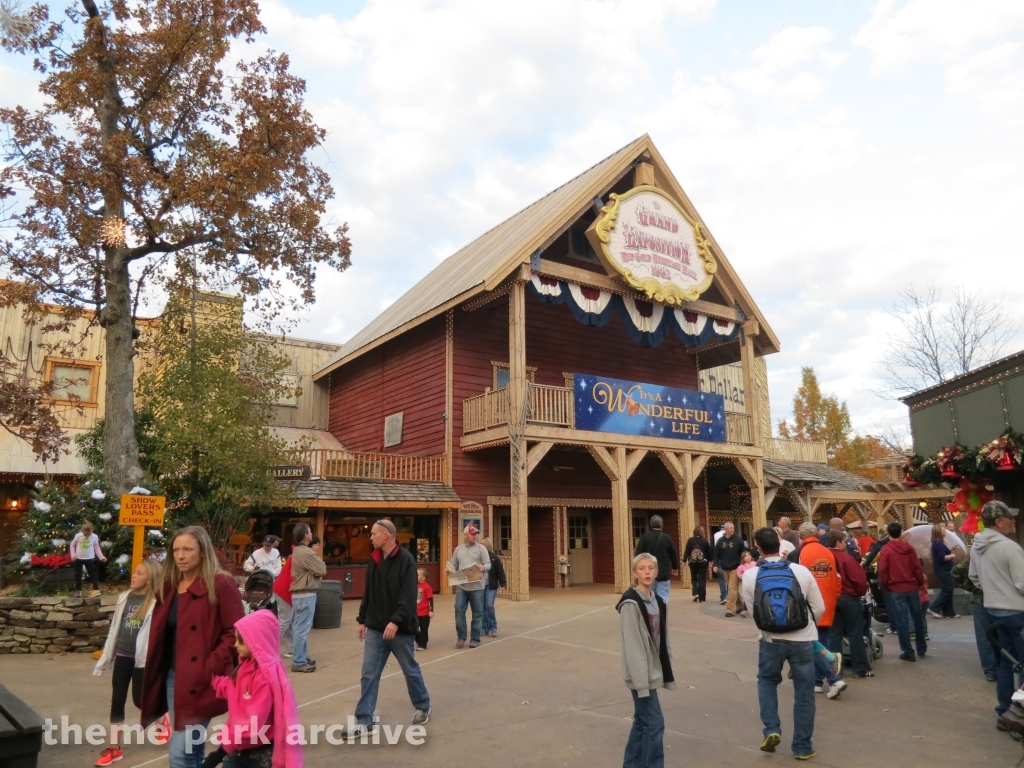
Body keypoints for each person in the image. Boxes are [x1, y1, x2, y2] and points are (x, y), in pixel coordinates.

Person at [141, 526, 245, 768]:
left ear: (202, 551)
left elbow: (236, 631)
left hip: (205, 681)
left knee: (180, 754)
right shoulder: (168, 586)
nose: (181, 555)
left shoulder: (220, 583)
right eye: (176, 550)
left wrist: (210, 665)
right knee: (191, 750)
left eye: (188, 549)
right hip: (173, 679)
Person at [740, 527, 824, 761]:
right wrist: (804, 626)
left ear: (757, 547)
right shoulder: (801, 572)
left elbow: (752, 610)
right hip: (802, 640)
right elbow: (819, 607)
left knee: (766, 681)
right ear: (780, 543)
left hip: (770, 640)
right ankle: (802, 747)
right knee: (804, 692)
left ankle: (772, 729)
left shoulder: (749, 575)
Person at [346, 519, 432, 737]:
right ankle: (364, 720)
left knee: (410, 670)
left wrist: (396, 621)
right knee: (369, 673)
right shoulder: (373, 560)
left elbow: (408, 597)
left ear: (386, 535)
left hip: (400, 630)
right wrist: (362, 619)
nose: (371, 537)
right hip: (375, 626)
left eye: (374, 534)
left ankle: (423, 705)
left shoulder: (407, 561)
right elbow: (368, 591)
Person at [93, 559, 168, 767]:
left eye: (139, 573)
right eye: (134, 572)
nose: (133, 576)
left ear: (150, 578)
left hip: (142, 660)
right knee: (117, 700)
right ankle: (114, 749)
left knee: (140, 701)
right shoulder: (124, 597)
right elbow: (115, 628)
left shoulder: (157, 602)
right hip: (122, 655)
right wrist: (108, 654)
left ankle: (164, 717)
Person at [211, 609, 302, 768]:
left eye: (241, 641)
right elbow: (235, 689)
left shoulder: (264, 679)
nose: (235, 644)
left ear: (256, 642)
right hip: (239, 748)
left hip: (258, 754)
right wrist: (213, 681)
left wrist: (221, 751)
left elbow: (252, 723)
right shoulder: (244, 667)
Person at [969, 500, 1024, 727]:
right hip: (1017, 612)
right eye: (1009, 517)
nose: (1013, 520)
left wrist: (994, 590)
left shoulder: (977, 546)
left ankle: (1004, 711)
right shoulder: (1009, 547)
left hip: (994, 612)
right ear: (999, 522)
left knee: (1006, 662)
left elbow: (974, 578)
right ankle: (1019, 715)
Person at [617, 552, 675, 768]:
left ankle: (631, 764)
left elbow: (664, 637)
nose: (647, 572)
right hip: (640, 674)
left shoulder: (658, 601)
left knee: (642, 722)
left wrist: (667, 668)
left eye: (650, 568)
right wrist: (642, 682)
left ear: (657, 571)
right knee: (655, 722)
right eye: (641, 568)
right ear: (634, 573)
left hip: (654, 670)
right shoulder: (630, 604)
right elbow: (633, 646)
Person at [793, 522, 845, 699]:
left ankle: (834, 679)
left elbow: (799, 582)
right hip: (827, 603)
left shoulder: (802, 553)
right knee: (821, 642)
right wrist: (832, 597)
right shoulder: (827, 552)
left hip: (810, 606)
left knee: (812, 645)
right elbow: (838, 579)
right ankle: (816, 681)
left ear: (801, 535)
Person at [877, 521, 927, 662]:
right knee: (917, 618)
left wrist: (886, 585)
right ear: (901, 532)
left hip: (896, 588)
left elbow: (883, 570)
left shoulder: (886, 550)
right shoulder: (909, 548)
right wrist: (919, 582)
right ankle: (921, 647)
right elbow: (917, 567)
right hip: (912, 586)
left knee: (901, 621)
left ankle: (908, 651)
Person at [826, 530, 871, 678]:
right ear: (838, 543)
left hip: (830, 598)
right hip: (849, 597)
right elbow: (859, 579)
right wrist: (860, 592)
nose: (846, 544)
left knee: (834, 635)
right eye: (844, 541)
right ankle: (860, 669)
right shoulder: (846, 559)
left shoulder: (823, 558)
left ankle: (835, 670)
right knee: (855, 634)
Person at [953, 557, 998, 682]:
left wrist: (974, 588)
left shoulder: (977, 553)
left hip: (980, 600)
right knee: (1002, 635)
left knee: (983, 637)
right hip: (1001, 600)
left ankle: (990, 671)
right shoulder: (1003, 551)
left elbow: (956, 571)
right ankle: (1006, 668)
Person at [289, 523, 326, 673]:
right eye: (310, 531)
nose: (311, 533)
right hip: (305, 594)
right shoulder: (306, 552)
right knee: (302, 629)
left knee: (300, 628)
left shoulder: (298, 551)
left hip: (300, 595)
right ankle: (298, 661)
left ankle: (302, 656)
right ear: (305, 535)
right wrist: (317, 568)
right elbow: (322, 569)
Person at [448, 524, 490, 648]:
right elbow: (453, 564)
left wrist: (484, 567)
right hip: (462, 586)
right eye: (472, 534)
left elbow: (488, 563)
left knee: (477, 613)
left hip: (477, 586)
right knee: (459, 611)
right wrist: (448, 569)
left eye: (476, 533)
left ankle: (475, 639)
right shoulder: (458, 549)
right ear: (465, 535)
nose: (475, 536)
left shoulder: (481, 548)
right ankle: (461, 637)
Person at [634, 515, 680, 603]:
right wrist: (675, 567)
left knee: (650, 594)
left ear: (651, 524)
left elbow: (638, 555)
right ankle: (661, 614)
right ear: (662, 525)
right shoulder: (667, 538)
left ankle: (652, 614)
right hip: (663, 572)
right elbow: (673, 554)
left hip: (648, 572)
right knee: (663, 596)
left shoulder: (645, 537)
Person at [713, 522, 747, 617]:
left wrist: (743, 564)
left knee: (731, 589)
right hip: (724, 568)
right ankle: (740, 606)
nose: (732, 529)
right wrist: (715, 565)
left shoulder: (738, 540)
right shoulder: (720, 541)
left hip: (735, 568)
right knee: (733, 589)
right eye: (730, 528)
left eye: (733, 528)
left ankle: (729, 610)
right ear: (726, 529)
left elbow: (744, 552)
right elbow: (716, 554)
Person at [929, 524, 959, 619]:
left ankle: (949, 612)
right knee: (947, 589)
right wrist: (952, 556)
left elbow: (941, 553)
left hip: (942, 569)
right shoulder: (939, 543)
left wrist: (950, 549)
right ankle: (934, 608)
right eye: (943, 530)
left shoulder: (937, 543)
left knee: (948, 589)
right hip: (943, 569)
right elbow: (942, 557)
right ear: (938, 532)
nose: (945, 531)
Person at [71, 520, 107, 598]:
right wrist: (73, 555)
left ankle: (96, 590)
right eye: (85, 534)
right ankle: (78, 591)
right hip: (78, 558)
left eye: (88, 534)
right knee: (78, 575)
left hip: (89, 558)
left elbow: (97, 548)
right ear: (82, 531)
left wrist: (101, 557)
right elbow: (72, 545)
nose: (86, 535)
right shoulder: (78, 536)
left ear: (92, 531)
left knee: (93, 574)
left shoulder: (94, 537)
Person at [481, 537, 506, 637]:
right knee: (483, 607)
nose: (481, 545)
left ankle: (493, 627)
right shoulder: (479, 558)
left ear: (487, 545)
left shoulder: (494, 558)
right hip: (481, 585)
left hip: (491, 585)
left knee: (489, 605)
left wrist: (503, 583)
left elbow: (500, 571)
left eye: (483, 544)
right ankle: (484, 628)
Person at [682, 526, 712, 603]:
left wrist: (684, 560)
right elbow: (708, 553)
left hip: (693, 562)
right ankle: (702, 598)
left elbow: (687, 551)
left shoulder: (690, 540)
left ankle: (696, 593)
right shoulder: (705, 541)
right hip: (703, 562)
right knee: (702, 579)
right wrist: (710, 561)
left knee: (694, 577)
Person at [272, 554, 294, 658]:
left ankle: (292, 649)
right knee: (284, 621)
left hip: (284, 590)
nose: (317, 547)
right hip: (284, 592)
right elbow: (292, 580)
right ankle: (269, 648)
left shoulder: (297, 556)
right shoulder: (299, 558)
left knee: (292, 621)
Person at [415, 568, 434, 650]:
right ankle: (420, 639)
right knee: (414, 628)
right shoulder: (413, 585)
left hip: (424, 613)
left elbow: (430, 599)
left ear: (423, 578)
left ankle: (422, 644)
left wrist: (431, 610)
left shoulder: (427, 587)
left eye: (418, 575)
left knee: (424, 629)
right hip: (415, 612)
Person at [735, 551, 757, 618]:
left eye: (749, 555)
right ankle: (744, 610)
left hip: (755, 582)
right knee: (747, 596)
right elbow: (738, 573)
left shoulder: (755, 564)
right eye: (746, 556)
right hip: (746, 583)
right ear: (743, 558)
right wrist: (743, 577)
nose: (748, 557)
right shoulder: (741, 567)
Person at [713, 526, 729, 603]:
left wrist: (714, 563)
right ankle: (730, 595)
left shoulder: (716, 535)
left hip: (720, 559)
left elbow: (714, 549)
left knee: (721, 578)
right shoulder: (732, 538)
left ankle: (723, 596)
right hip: (729, 560)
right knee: (730, 579)